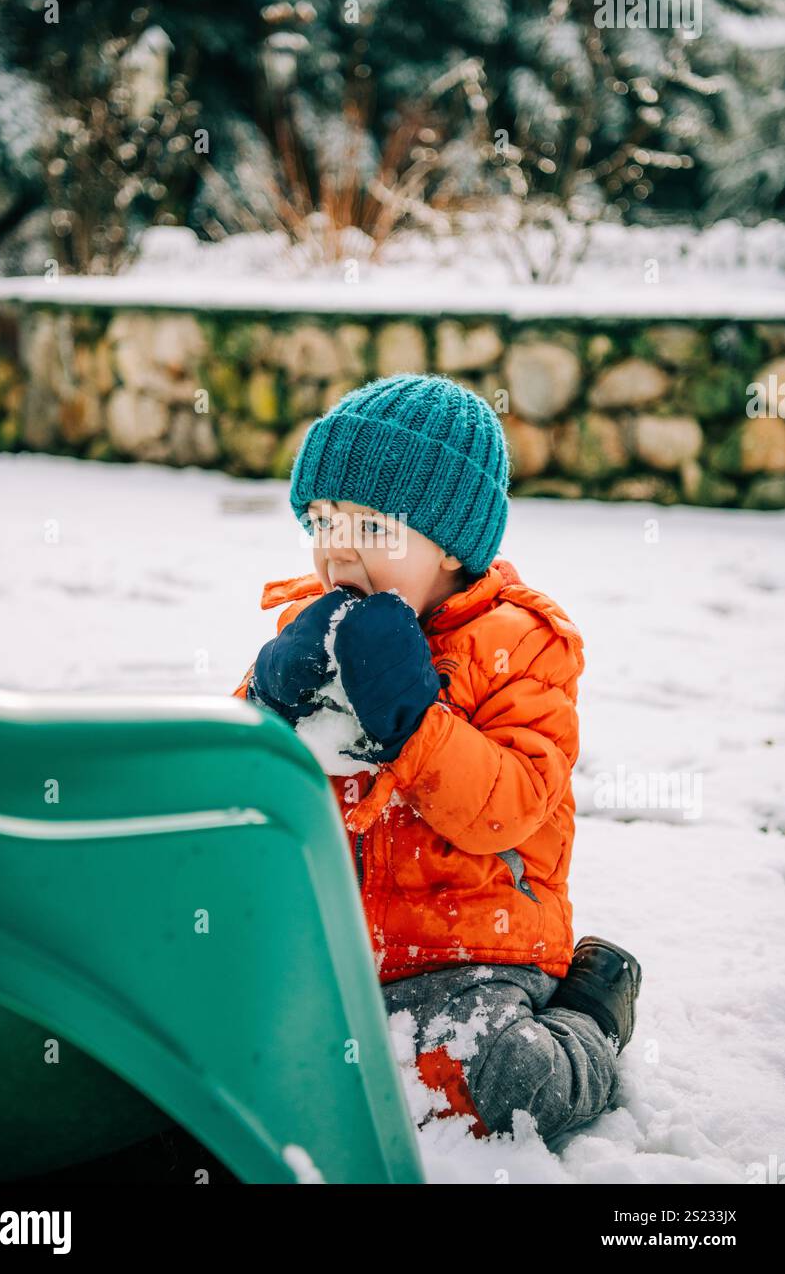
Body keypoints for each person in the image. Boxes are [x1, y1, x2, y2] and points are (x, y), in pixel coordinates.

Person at [231, 371, 641, 1144]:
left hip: (472, 950)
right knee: (250, 1045)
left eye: (371, 529)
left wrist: (417, 725)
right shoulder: (310, 627)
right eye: (320, 522)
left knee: (500, 1088)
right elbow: (240, 793)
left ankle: (588, 1018)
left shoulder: (523, 646)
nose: (336, 554)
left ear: (452, 544)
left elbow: (512, 806)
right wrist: (264, 702)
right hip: (337, 943)